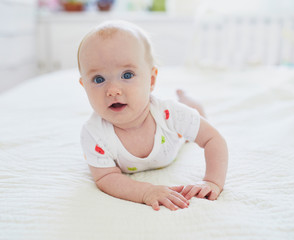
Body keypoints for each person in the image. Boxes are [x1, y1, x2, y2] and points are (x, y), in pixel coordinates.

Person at [77, 20, 228, 211]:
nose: (113, 90)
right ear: (84, 86)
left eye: (127, 75)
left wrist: (212, 182)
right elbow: (105, 177)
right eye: (98, 79)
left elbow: (213, 139)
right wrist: (146, 191)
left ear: (151, 79)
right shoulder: (93, 133)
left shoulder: (171, 115)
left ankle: (185, 97)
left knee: (194, 112)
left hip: (176, 135)